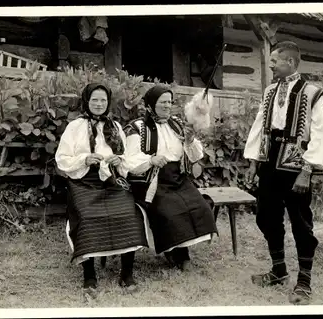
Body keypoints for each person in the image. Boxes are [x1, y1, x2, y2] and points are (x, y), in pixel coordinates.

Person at [243, 41, 323, 305]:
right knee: (266, 216)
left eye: (274, 61)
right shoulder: (270, 91)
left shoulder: (313, 93)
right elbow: (260, 126)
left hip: (297, 165)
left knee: (301, 223)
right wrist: (253, 162)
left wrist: (307, 170)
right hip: (270, 161)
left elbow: (319, 133)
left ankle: (304, 282)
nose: (271, 65)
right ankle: (279, 270)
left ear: (291, 62)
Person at [55, 83, 150, 295]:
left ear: (108, 102)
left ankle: (127, 274)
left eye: (103, 100)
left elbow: (126, 157)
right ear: (87, 101)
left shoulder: (115, 126)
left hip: (113, 180)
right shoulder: (75, 127)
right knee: (87, 217)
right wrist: (85, 158)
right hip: (83, 181)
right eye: (95, 100)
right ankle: (89, 275)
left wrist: (119, 159)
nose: (99, 104)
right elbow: (62, 159)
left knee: (129, 214)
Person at [124, 84, 218, 271]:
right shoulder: (138, 127)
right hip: (153, 179)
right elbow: (130, 160)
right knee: (170, 211)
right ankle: (175, 253)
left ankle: (182, 251)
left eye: (169, 102)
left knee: (199, 207)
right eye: (162, 102)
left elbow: (194, 155)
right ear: (151, 104)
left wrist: (190, 141)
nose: (167, 106)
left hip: (177, 177)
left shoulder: (177, 124)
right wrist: (151, 159)